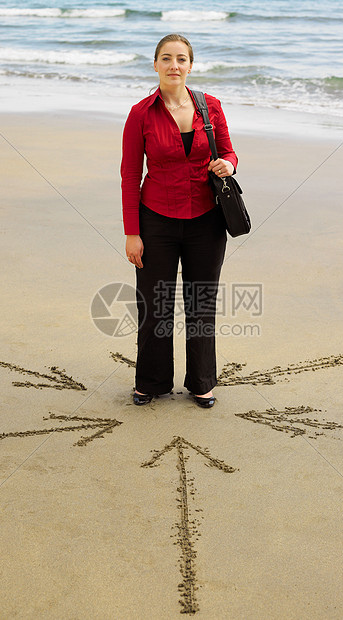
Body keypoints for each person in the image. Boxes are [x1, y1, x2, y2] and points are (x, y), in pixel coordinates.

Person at [120, 33, 238, 408]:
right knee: (154, 304)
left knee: (201, 301)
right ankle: (151, 382)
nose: (174, 66)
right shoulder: (141, 113)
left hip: (207, 220)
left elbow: (230, 151)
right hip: (156, 219)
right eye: (167, 58)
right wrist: (131, 233)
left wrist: (228, 164)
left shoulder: (210, 106)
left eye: (181, 59)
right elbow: (128, 176)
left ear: (190, 65)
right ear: (155, 64)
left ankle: (202, 381)